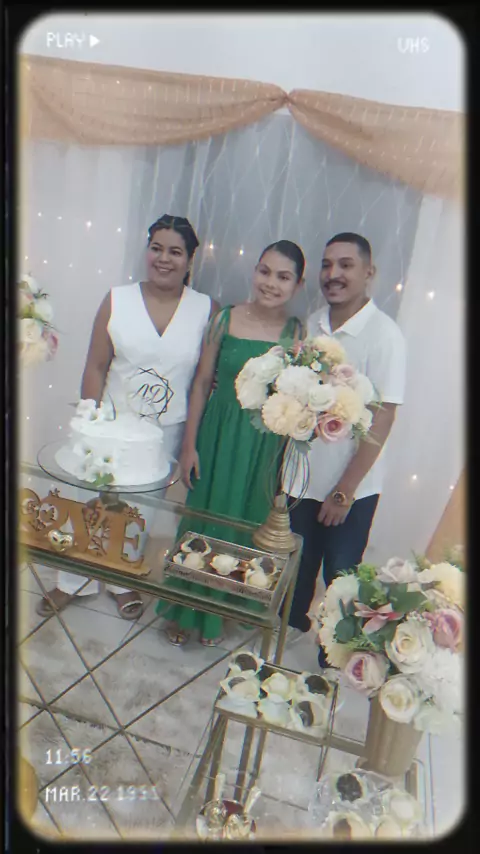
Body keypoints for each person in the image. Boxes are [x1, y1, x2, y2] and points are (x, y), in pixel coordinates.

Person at [37, 214, 218, 619]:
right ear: (147, 251)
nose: (164, 259)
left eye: (175, 251)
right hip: (108, 426)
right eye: (156, 248)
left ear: (190, 259)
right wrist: (90, 424)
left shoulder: (206, 309)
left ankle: (122, 580)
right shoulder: (117, 300)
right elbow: (96, 366)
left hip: (163, 432)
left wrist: (190, 441)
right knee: (87, 503)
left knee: (140, 512)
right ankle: (72, 580)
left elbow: (203, 383)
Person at [156, 240, 306, 647]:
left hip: (262, 445)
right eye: (265, 271)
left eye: (283, 277)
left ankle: (219, 614)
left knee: (245, 525)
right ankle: (184, 609)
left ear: (297, 285)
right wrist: (189, 446)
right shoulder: (225, 319)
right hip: (218, 435)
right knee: (203, 518)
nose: (270, 283)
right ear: (254, 271)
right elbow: (202, 383)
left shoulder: (296, 333)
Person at [284, 233, 406, 668]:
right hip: (303, 478)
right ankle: (288, 633)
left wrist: (344, 491)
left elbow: (384, 417)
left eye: (346, 265)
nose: (333, 274)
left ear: (368, 273)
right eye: (326, 264)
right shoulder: (314, 322)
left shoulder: (385, 335)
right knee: (297, 565)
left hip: (352, 487)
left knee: (341, 576)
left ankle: (332, 657)